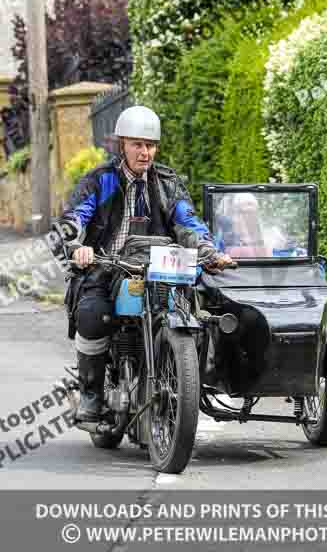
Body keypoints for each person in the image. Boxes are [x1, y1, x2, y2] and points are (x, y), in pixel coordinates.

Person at [55, 105, 233, 423]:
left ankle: (184, 377)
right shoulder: (100, 180)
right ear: (121, 144)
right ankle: (92, 393)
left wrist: (209, 250)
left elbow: (187, 221)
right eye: (137, 144)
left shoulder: (167, 182)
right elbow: (74, 218)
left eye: (150, 145)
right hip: (107, 266)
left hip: (160, 267)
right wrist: (76, 246)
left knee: (197, 313)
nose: (145, 152)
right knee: (93, 314)